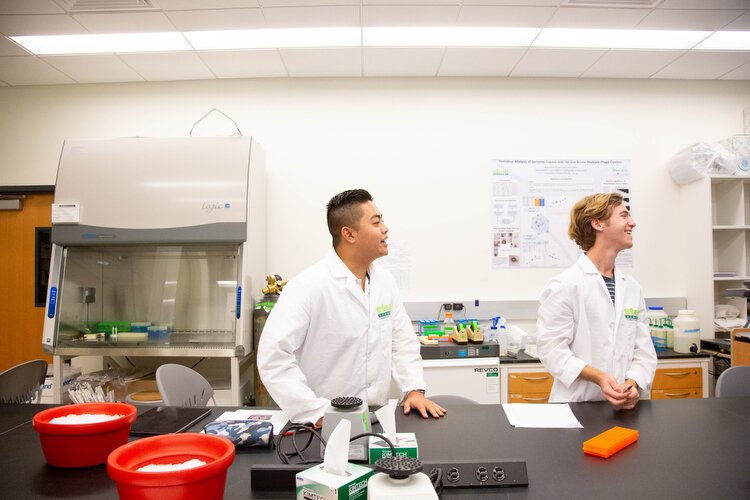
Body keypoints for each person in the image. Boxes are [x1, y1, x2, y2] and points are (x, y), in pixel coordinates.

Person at [257, 189, 446, 425]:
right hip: (322, 422)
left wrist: (413, 389)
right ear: (349, 234)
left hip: (377, 417)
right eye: (376, 222)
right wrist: (314, 411)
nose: (385, 228)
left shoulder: (385, 282)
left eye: (382, 220)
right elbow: (273, 357)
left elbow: (402, 342)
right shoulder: (308, 286)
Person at [535, 192, 656, 409]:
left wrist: (632, 384)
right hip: (579, 407)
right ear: (598, 223)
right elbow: (552, 351)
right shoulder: (565, 285)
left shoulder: (632, 288)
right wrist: (599, 377)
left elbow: (644, 351)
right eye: (624, 215)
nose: (632, 222)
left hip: (627, 408)